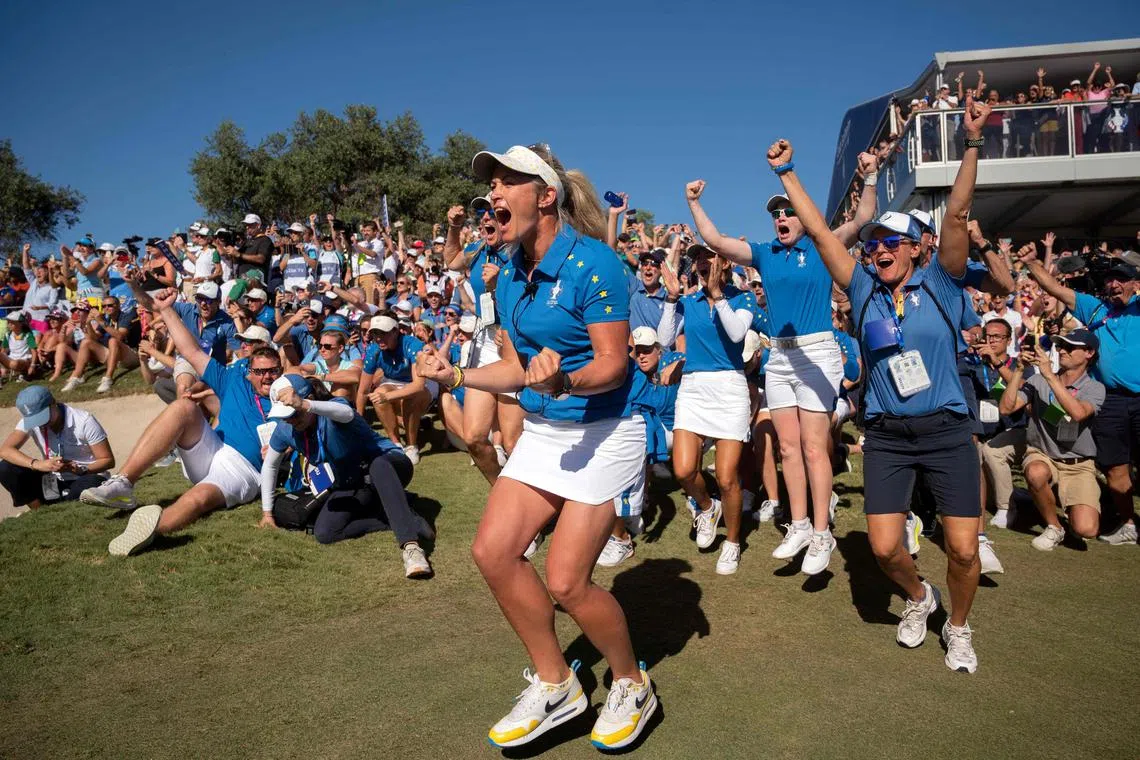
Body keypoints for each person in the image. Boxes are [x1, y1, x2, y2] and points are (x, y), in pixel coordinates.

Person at [418, 143, 657, 750]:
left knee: (568, 582)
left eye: (506, 183)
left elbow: (612, 364)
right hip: (550, 430)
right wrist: (455, 378)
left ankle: (631, 683)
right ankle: (558, 684)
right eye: (490, 184)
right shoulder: (508, 271)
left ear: (545, 196)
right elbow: (518, 370)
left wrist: (563, 380)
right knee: (492, 552)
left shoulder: (596, 262)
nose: (492, 194)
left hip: (607, 428)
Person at [766, 91, 991, 673]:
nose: (879, 250)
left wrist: (970, 142)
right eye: (873, 244)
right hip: (888, 435)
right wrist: (786, 173)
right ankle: (921, 598)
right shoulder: (864, 288)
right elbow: (819, 233)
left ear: (917, 248)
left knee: (964, 549)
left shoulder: (942, 283)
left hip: (945, 431)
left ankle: (959, 628)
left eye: (892, 242)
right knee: (887, 547)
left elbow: (960, 213)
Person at [683, 151, 879, 576]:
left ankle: (823, 532)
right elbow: (716, 242)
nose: (783, 219)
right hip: (781, 355)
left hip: (819, 351)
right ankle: (801, 524)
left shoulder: (822, 241)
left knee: (812, 446)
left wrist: (871, 176)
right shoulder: (764, 252)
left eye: (789, 212)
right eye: (777, 215)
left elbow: (863, 218)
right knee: (787, 447)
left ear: (802, 217)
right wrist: (694, 203)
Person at [81, 288, 280, 556]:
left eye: (273, 371)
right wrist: (165, 310)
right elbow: (190, 350)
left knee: (199, 498)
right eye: (260, 371)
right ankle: (123, 484)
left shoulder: (287, 395)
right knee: (183, 407)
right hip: (213, 447)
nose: (267, 377)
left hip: (243, 468)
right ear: (250, 372)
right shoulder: (233, 378)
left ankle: (152, 530)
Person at [1016, 245, 1140, 545]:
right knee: (1114, 467)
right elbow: (1052, 287)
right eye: (1109, 279)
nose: (1114, 284)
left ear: (1135, 283)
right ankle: (1129, 524)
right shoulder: (1093, 307)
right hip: (1108, 399)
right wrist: (1032, 262)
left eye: (1121, 278)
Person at [258, 374, 433, 577]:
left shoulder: (332, 408)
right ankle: (400, 515)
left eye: (294, 413)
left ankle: (411, 547)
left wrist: (305, 404)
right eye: (285, 416)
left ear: (309, 398)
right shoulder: (285, 429)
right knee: (325, 533)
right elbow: (270, 466)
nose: (291, 420)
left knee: (378, 465)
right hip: (353, 482)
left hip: (389, 465)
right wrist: (267, 514)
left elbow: (345, 413)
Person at [656, 243, 757, 575]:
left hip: (729, 389)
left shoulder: (743, 298)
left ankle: (733, 542)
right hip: (695, 389)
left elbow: (737, 332)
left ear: (724, 262)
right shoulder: (688, 301)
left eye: (708, 256)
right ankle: (706, 506)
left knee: (727, 478)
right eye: (697, 257)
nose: (701, 262)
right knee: (684, 470)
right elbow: (664, 339)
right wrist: (671, 299)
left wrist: (717, 295)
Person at [441, 197, 525, 482]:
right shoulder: (478, 249)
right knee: (474, 437)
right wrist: (454, 227)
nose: (486, 217)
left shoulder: (524, 250)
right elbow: (452, 260)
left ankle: (530, 508)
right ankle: (501, 494)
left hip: (513, 339)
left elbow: (536, 298)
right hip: (484, 339)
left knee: (514, 444)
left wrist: (502, 285)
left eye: (494, 212)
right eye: (482, 213)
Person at [998, 329, 1106, 550]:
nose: (1062, 350)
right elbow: (1006, 407)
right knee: (1036, 471)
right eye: (1060, 346)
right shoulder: (1038, 380)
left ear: (1089, 353)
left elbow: (1077, 413)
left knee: (1087, 530)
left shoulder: (1095, 388)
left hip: (1078, 464)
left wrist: (1049, 375)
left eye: (1069, 347)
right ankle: (1053, 526)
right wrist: (1018, 371)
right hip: (1043, 455)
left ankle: (1061, 510)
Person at [0, 386, 113, 509]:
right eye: (34, 420)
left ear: (53, 402)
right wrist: (37, 464)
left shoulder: (84, 421)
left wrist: (80, 469)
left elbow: (108, 460)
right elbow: (5, 450)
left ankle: (63, 505)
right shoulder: (30, 421)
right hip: (53, 478)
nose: (40, 424)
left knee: (84, 490)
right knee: (6, 468)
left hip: (86, 476)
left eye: (42, 417)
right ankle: (39, 512)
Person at [976, 319, 1033, 533]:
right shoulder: (975, 365)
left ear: (1009, 341)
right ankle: (1017, 495)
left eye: (997, 337)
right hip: (984, 432)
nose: (991, 341)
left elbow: (1027, 390)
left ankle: (1006, 508)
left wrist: (998, 364)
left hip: (1014, 431)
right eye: (987, 336)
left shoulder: (1021, 366)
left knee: (992, 451)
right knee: (976, 455)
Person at [361, 316, 434, 464]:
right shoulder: (373, 350)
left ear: (395, 332)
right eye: (375, 333)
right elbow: (363, 390)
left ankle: (412, 446)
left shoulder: (412, 344)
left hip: (425, 384)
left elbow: (418, 385)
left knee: (410, 397)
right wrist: (358, 420)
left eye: (383, 333)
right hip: (395, 383)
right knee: (378, 394)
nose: (379, 338)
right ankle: (396, 444)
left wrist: (388, 397)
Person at [60, 295, 139, 393]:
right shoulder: (107, 320)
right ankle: (76, 377)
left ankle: (108, 378)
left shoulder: (127, 316)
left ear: (118, 306)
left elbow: (119, 336)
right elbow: (93, 338)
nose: (106, 308)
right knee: (86, 342)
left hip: (132, 355)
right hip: (115, 356)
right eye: (104, 306)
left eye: (110, 305)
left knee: (113, 340)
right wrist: (87, 324)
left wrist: (101, 321)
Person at [0, 312, 39, 380]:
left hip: (25, 360)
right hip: (11, 359)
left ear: (20, 323)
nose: (9, 324)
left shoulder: (27, 335)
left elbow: (34, 352)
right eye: (8, 322)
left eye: (12, 322)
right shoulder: (8, 335)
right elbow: (4, 351)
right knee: (11, 362)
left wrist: (32, 365)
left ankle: (20, 371)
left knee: (15, 364)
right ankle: (3, 373)